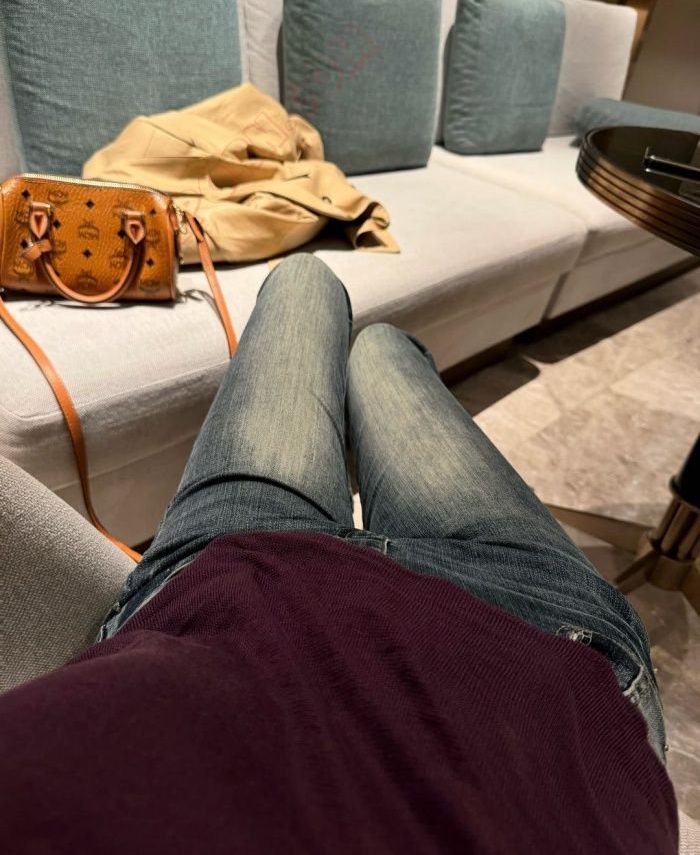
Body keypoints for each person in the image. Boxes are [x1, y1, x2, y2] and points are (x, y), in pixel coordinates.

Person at [0, 254, 677, 853]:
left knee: (305, 280)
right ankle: (381, 352)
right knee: (381, 348)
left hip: (234, 579)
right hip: (533, 629)